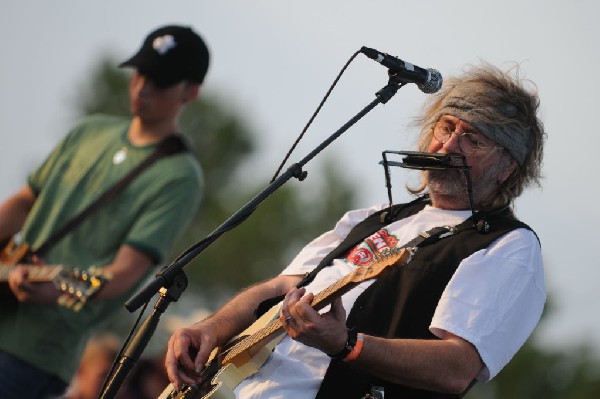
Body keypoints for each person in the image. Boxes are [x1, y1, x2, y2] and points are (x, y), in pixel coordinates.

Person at [164, 63, 546, 398]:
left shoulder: (508, 247)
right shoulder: (379, 217)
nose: (447, 147)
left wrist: (346, 344)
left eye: (473, 140)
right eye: (446, 127)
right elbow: (279, 289)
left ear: (507, 168)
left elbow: (457, 368)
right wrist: (210, 330)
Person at [0, 25, 209, 398]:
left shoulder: (180, 176)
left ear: (190, 92)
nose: (142, 87)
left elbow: (124, 273)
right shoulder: (89, 131)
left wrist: (54, 290)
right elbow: (24, 202)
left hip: (32, 354)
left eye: (160, 81)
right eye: (140, 73)